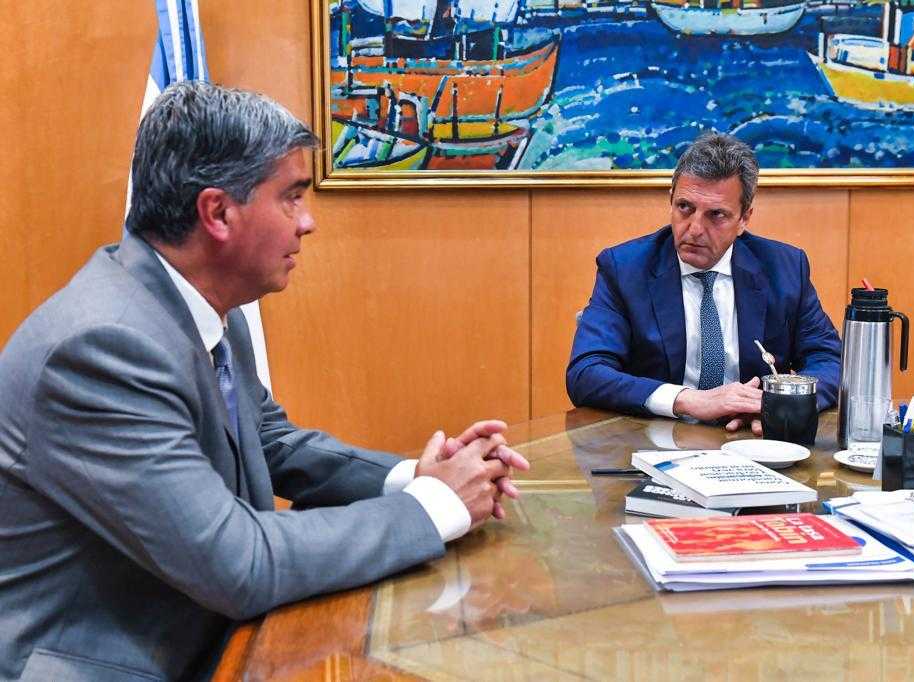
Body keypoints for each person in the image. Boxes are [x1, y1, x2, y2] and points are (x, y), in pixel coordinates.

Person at [0, 81, 528, 681]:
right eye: (292, 198)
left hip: (205, 636)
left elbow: (271, 442)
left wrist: (416, 476)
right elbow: (237, 565)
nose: (308, 223)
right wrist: (433, 507)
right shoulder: (101, 348)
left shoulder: (200, 308)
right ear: (218, 213)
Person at [566, 132, 841, 434]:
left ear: (744, 219)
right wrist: (686, 400)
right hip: (653, 441)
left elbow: (829, 360)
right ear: (670, 200)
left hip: (754, 440)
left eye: (716, 215)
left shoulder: (784, 268)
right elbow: (587, 373)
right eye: (685, 207)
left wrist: (777, 405)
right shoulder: (625, 269)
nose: (695, 229)